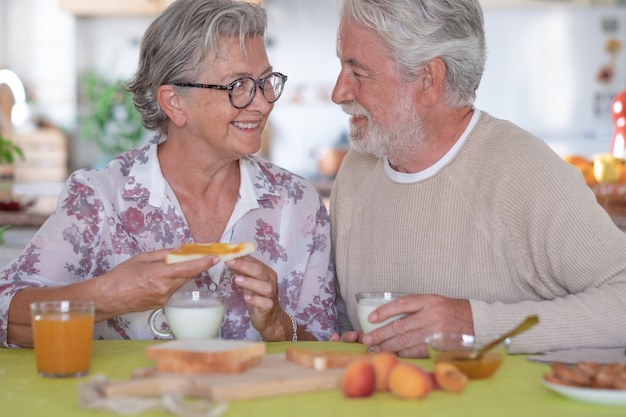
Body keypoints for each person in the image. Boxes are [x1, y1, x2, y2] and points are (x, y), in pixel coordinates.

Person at [0, 0, 337, 348]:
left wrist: (280, 325)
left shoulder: (299, 204)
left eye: (265, 81)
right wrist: (109, 296)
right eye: (237, 85)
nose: (263, 102)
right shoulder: (99, 198)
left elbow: (328, 347)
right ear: (174, 102)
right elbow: (5, 313)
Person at [328, 0, 626, 357]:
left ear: (428, 79)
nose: (338, 93)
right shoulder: (356, 172)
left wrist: (474, 325)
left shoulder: (525, 171)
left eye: (358, 72)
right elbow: (348, 323)